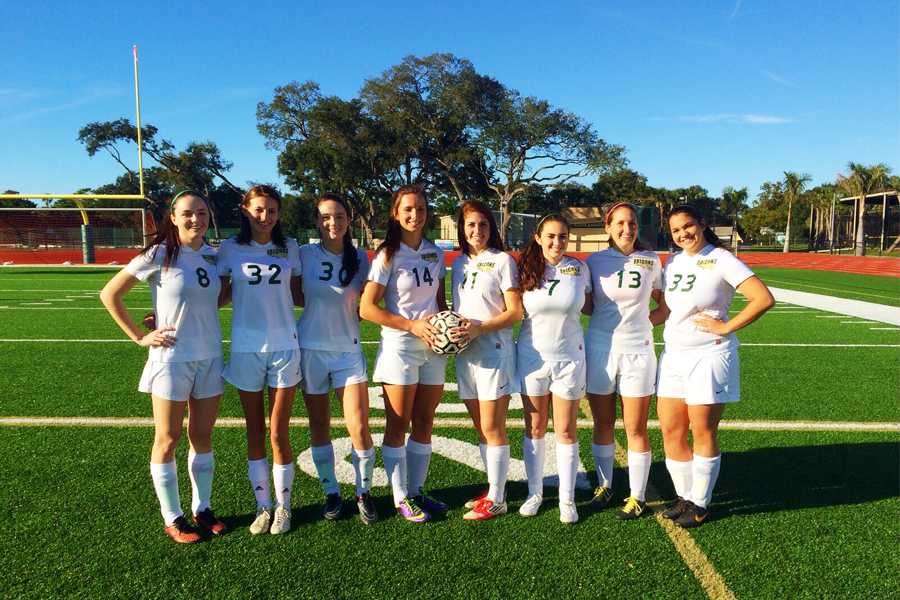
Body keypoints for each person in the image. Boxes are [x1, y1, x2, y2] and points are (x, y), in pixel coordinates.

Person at [100, 191, 226, 544]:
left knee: (202, 437)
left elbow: (219, 296)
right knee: (167, 438)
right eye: (187, 213)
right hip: (171, 359)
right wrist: (141, 337)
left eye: (201, 213)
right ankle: (173, 517)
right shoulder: (159, 254)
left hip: (210, 356)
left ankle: (203, 508)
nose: (195, 219)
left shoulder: (214, 255)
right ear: (173, 217)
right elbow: (110, 294)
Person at [654, 204, 773, 527]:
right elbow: (666, 309)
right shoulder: (673, 261)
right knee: (671, 429)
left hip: (709, 354)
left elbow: (762, 298)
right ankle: (684, 496)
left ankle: (701, 502)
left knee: (702, 429)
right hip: (674, 354)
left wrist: (726, 326)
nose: (683, 234)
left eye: (688, 226)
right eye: (676, 230)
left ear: (702, 224)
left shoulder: (721, 259)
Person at [359, 184, 448, 523]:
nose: (415, 215)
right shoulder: (387, 254)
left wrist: (445, 332)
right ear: (396, 213)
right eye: (408, 209)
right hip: (401, 346)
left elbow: (438, 302)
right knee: (398, 425)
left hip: (433, 347)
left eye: (421, 209)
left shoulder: (435, 253)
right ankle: (399, 497)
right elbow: (367, 308)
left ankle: (417, 490)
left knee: (425, 421)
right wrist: (410, 326)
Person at [218, 185, 303, 535]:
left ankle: (284, 506)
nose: (265, 217)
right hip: (246, 349)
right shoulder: (230, 248)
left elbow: (302, 295)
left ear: (279, 213)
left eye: (271, 211)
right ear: (245, 210)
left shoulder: (291, 248)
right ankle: (263, 505)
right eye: (258, 210)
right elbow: (215, 296)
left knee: (278, 431)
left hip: (285, 347)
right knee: (254, 430)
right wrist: (167, 317)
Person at [296, 193, 376, 524]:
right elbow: (291, 292)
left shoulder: (361, 258)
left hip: (348, 350)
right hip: (311, 349)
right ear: (317, 221)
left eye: (339, 216)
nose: (333, 222)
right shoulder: (303, 254)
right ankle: (331, 492)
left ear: (349, 220)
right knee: (319, 426)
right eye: (326, 217)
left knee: (358, 425)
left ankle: (363, 491)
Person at [583, 202, 663, 520]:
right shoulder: (594, 261)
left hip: (639, 352)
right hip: (600, 350)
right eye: (620, 223)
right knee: (603, 423)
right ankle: (605, 486)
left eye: (631, 223)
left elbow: (665, 306)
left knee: (636, 427)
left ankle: (638, 495)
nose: (626, 229)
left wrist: (641, 325)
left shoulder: (650, 260)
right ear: (608, 226)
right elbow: (587, 306)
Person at [450, 201, 523, 521]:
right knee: (481, 427)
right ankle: (493, 488)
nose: (476, 231)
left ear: (491, 228)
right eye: (470, 225)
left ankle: (497, 498)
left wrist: (480, 328)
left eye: (482, 225)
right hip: (466, 354)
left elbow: (515, 312)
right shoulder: (458, 264)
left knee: (493, 427)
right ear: (461, 230)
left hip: (494, 351)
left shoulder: (503, 261)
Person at [516, 214, 591, 524]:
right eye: (550, 236)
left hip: (569, 359)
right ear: (538, 237)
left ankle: (567, 498)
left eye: (562, 236)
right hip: (532, 358)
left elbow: (592, 306)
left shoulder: (579, 269)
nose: (556, 242)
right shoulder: (523, 268)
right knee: (534, 428)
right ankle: (534, 493)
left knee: (565, 430)